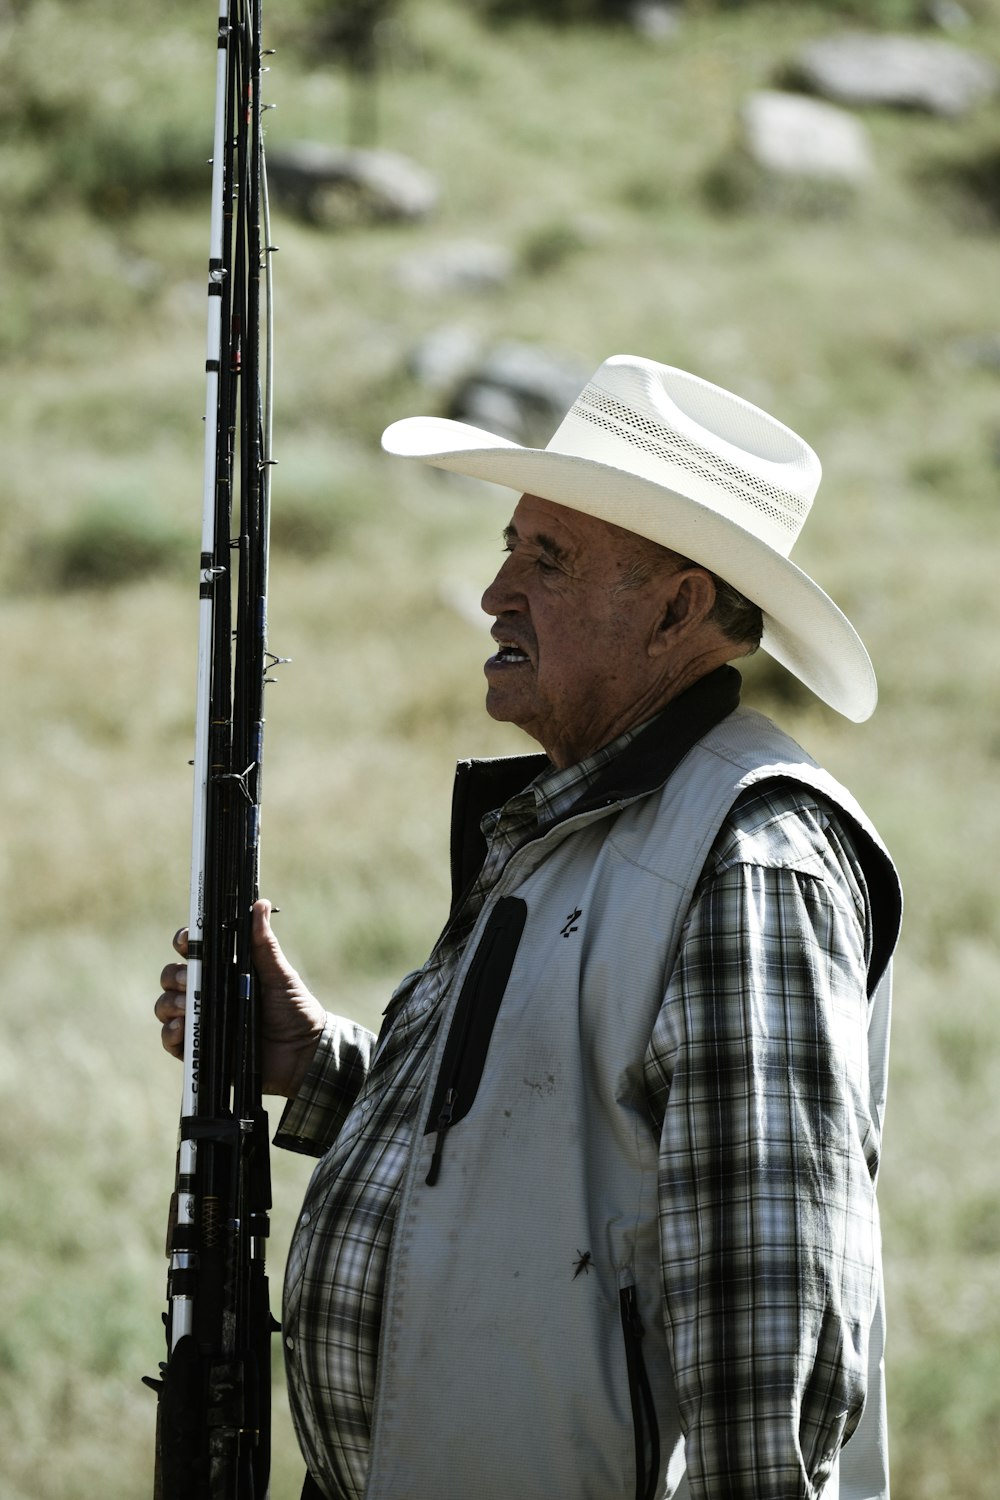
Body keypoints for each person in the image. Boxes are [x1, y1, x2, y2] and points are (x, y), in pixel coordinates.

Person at [156, 355, 902, 1500]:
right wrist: (313, 1064)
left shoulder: (744, 862)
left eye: (545, 559)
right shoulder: (579, 819)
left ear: (677, 607)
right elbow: (552, 1164)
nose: (497, 589)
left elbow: (768, 1335)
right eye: (511, 545)